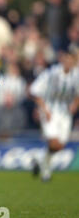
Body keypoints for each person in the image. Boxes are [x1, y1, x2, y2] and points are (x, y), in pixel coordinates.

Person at [29, 47, 79, 182]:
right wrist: (44, 110)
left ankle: (39, 160)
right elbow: (35, 91)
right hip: (50, 110)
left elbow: (77, 95)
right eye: (66, 58)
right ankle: (46, 174)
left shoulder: (76, 75)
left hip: (65, 113)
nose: (68, 61)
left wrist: (74, 106)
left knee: (59, 146)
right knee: (54, 142)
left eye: (71, 59)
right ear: (63, 59)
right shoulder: (51, 73)